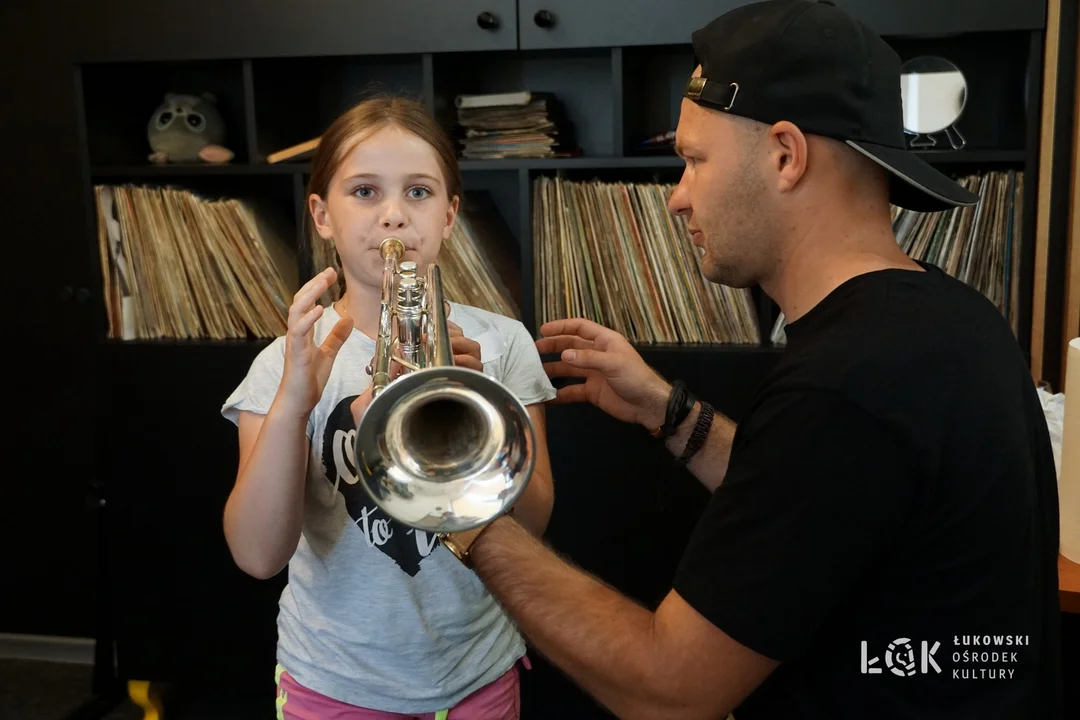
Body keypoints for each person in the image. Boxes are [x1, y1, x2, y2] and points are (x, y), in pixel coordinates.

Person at [353, 1, 1064, 718]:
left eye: (694, 160)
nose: (676, 199)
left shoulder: (847, 385)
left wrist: (452, 503)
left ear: (786, 155)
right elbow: (818, 505)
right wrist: (670, 414)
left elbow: (667, 688)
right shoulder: (946, 318)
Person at [220, 95, 557, 719]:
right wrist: (296, 401)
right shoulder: (280, 363)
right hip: (333, 682)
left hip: (476, 672)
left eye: (420, 193)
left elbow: (533, 524)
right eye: (366, 192)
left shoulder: (503, 343)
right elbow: (257, 555)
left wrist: (476, 407)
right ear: (322, 214)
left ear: (451, 215)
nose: (395, 217)